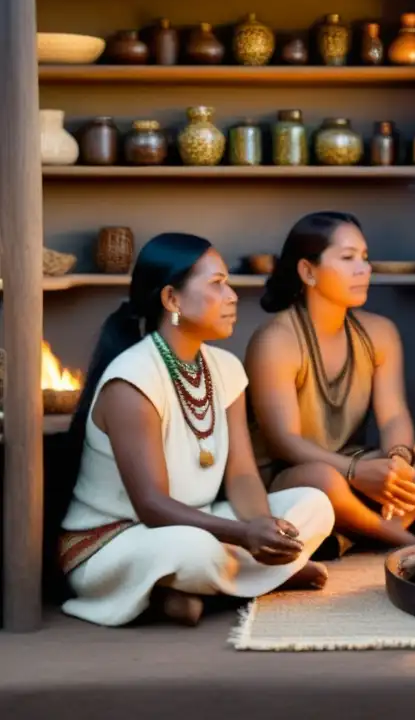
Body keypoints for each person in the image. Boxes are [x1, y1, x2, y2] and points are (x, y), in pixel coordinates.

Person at [58, 233, 334, 628]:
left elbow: (240, 472)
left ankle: (204, 589)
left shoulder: (225, 368)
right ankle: (262, 579)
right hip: (118, 541)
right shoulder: (132, 379)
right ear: (172, 300)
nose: (232, 296)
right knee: (193, 549)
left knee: (314, 504)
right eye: (217, 284)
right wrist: (243, 536)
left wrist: (264, 529)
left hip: (202, 522)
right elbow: (151, 506)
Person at [245, 211, 415, 549]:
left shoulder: (378, 332)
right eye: (348, 258)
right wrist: (355, 472)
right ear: (308, 271)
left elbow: (394, 415)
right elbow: (285, 443)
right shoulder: (275, 340)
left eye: (364, 258)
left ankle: (356, 533)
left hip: (359, 467)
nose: (363, 269)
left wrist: (398, 459)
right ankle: (399, 535)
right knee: (323, 480)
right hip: (298, 477)